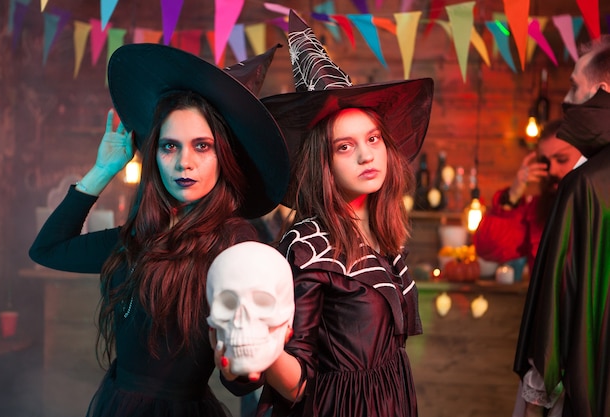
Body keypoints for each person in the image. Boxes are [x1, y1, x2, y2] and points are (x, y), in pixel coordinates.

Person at [29, 43, 289, 417]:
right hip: (116, 404)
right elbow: (48, 249)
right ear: (155, 154)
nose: (185, 162)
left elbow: (240, 380)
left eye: (202, 146)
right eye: (170, 146)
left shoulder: (235, 242)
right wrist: (103, 169)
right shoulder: (138, 235)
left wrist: (242, 355)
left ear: (224, 157)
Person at [215, 10, 434, 417]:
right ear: (324, 163)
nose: (367, 154)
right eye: (345, 146)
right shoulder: (308, 247)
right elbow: (298, 383)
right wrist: (258, 349)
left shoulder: (382, 232)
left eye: (372, 138)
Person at [513, 35, 610, 417]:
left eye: (575, 87)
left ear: (603, 91)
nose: (567, 100)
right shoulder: (576, 182)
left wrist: (542, 373)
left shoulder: (586, 182)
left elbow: (560, 290)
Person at [473, 120, 584, 275]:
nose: (551, 170)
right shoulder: (538, 212)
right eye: (545, 162)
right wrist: (512, 195)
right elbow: (488, 247)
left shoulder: (600, 208)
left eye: (562, 159)